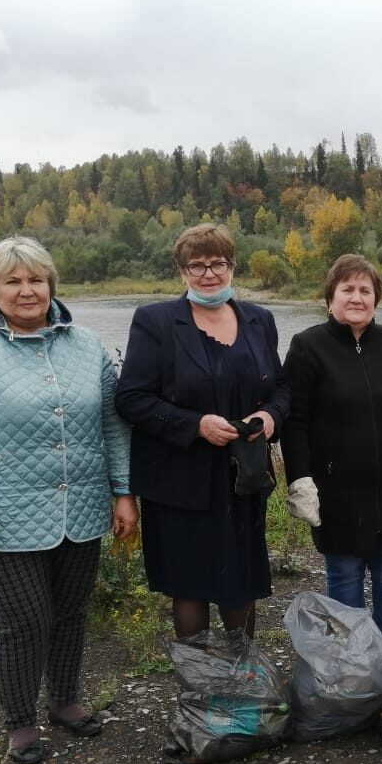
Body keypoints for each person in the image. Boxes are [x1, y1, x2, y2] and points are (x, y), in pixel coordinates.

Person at [0, 236, 136, 764]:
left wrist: (124, 492)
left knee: (69, 613)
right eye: (12, 281)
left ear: (51, 285)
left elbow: (113, 423)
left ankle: (64, 700)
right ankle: (19, 720)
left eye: (35, 279)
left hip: (81, 508)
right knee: (25, 619)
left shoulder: (85, 345)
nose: (26, 290)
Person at [115, 223, 288, 640]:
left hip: (240, 479)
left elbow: (280, 389)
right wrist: (195, 425)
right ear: (181, 270)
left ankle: (243, 678)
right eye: (198, 265)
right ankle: (199, 686)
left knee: (240, 580)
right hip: (180, 481)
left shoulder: (259, 321)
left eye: (219, 263)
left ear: (232, 267)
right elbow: (131, 397)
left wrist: (270, 417)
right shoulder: (155, 322)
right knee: (189, 586)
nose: (209, 273)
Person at [282, 254, 382, 679]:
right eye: (347, 289)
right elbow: (294, 421)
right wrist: (300, 479)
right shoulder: (308, 346)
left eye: (365, 290)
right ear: (330, 298)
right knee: (343, 577)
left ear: (376, 299)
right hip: (335, 489)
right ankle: (349, 661)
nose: (357, 297)